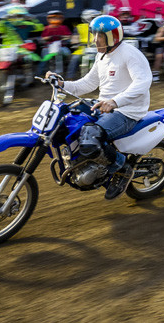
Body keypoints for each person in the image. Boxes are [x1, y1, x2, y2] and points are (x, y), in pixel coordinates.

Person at [48, 14, 153, 200]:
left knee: (90, 135)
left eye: (100, 35)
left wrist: (115, 101)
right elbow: (87, 84)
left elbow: (143, 82)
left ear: (113, 36)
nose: (95, 39)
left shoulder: (130, 54)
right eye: (94, 34)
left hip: (126, 111)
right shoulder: (102, 56)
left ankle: (122, 168)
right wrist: (63, 84)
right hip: (103, 105)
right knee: (64, 120)